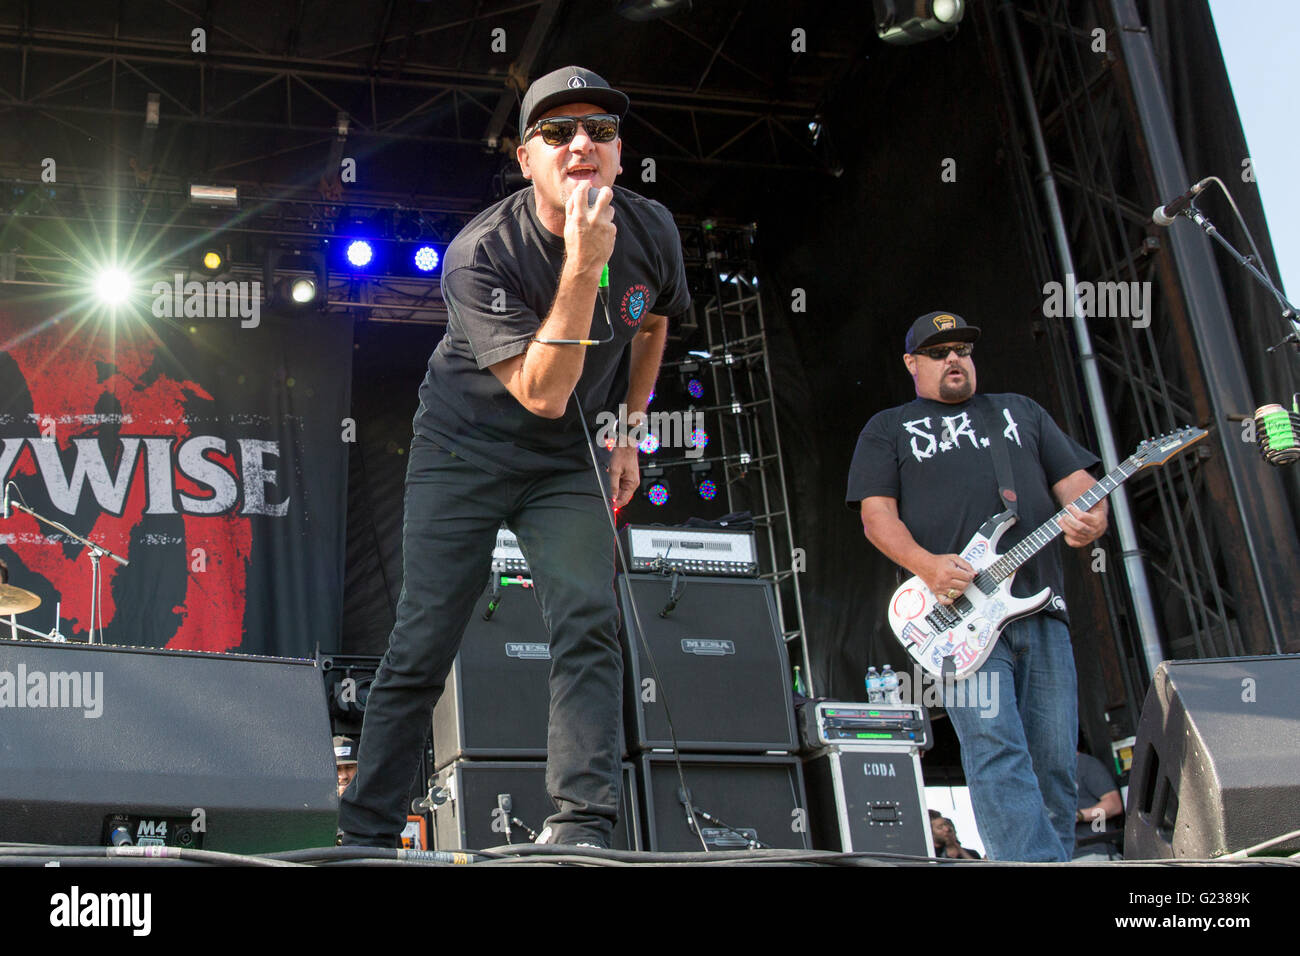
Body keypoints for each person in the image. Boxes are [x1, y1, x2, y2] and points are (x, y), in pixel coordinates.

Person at [338, 66, 689, 850]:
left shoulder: (654, 229)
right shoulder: (479, 253)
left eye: (599, 130)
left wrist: (629, 429)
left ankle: (583, 826)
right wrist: (584, 261)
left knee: (588, 620)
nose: (580, 145)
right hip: (466, 447)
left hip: (567, 460)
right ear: (526, 159)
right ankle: (363, 834)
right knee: (425, 637)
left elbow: (656, 321)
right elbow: (543, 393)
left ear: (620, 154)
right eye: (556, 133)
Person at [846, 311, 1108, 862]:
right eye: (939, 352)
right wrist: (928, 566)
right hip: (960, 617)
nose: (954, 360)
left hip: (1041, 609)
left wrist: (1093, 517)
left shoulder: (1019, 412)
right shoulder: (889, 428)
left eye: (963, 349)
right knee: (996, 749)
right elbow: (877, 518)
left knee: (1055, 759)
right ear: (911, 364)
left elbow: (1079, 485)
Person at [1073, 747, 1124, 860]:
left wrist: (1079, 815)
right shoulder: (1041, 775)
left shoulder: (1084, 764)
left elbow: (1114, 805)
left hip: (1093, 853)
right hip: (1060, 857)